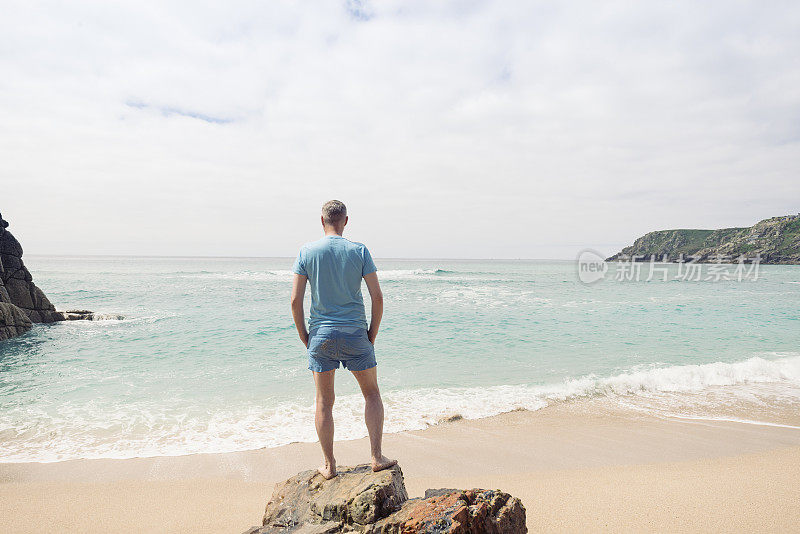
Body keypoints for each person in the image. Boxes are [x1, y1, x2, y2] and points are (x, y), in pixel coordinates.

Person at [290, 200, 396, 479]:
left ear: (321, 221)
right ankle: (376, 456)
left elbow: (294, 301)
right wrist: (371, 334)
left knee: (324, 401)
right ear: (345, 221)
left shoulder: (307, 251)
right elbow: (378, 297)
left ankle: (329, 465)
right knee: (372, 394)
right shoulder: (359, 250)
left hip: (321, 335)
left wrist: (305, 337)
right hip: (355, 333)